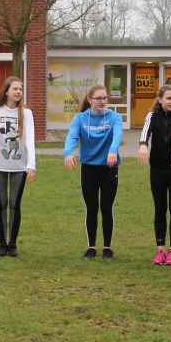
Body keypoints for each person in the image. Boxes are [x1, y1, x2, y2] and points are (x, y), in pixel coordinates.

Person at [63, 84, 124, 259]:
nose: (102, 101)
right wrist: (68, 153)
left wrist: (113, 150)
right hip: (89, 168)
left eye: (105, 98)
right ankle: (91, 247)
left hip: (109, 168)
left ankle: (107, 247)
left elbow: (117, 135)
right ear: (90, 100)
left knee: (106, 206)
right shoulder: (80, 119)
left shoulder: (115, 117)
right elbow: (72, 136)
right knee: (91, 207)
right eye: (98, 98)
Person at [0, 75, 36, 256]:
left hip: (19, 166)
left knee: (14, 204)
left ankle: (12, 244)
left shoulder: (26, 113)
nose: (18, 92)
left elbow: (30, 140)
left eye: (20, 89)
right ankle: (1, 244)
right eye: (15, 89)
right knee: (2, 203)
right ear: (6, 91)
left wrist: (31, 165)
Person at [137, 83, 171, 266]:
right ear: (160, 99)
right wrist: (143, 145)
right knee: (160, 208)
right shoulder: (152, 116)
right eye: (169, 98)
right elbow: (145, 133)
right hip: (157, 169)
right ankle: (160, 250)